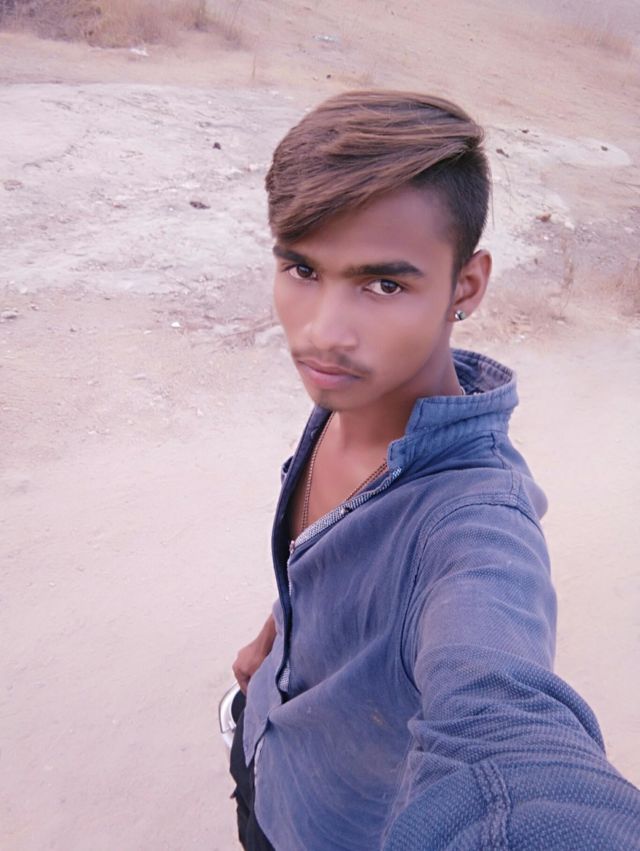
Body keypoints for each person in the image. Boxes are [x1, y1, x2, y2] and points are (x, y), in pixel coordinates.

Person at [229, 90, 640, 850]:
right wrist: (274, 638)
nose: (323, 332)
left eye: (384, 284)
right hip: (264, 757)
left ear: (466, 286)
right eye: (302, 267)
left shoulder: (475, 525)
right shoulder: (357, 389)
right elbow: (328, 552)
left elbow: (504, 727)